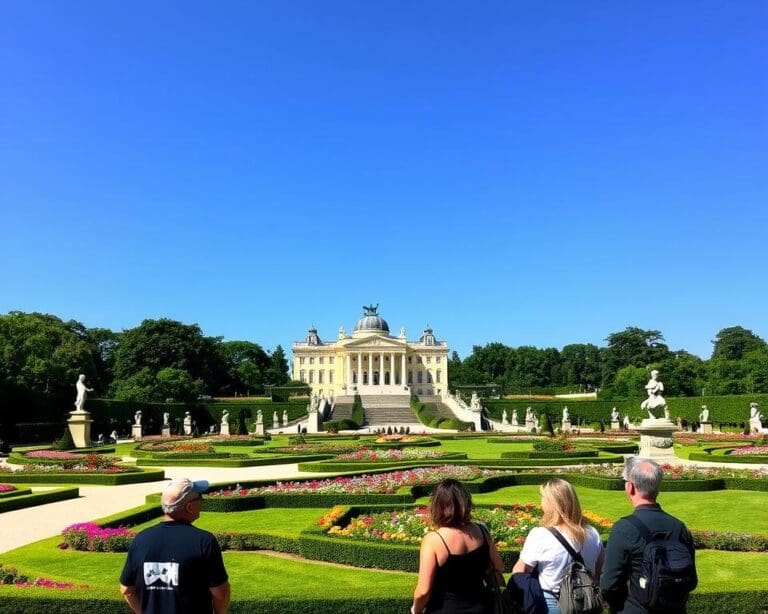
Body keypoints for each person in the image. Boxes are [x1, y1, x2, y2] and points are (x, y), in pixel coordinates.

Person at [600, 457, 697, 613]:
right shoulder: (679, 527)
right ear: (657, 488)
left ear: (630, 488)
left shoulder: (623, 529)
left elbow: (608, 585)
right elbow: (690, 580)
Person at [119, 478, 230, 614]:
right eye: (200, 497)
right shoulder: (204, 541)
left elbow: (126, 590)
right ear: (189, 507)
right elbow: (220, 593)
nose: (202, 501)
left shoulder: (141, 539)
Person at [412, 478, 504, 613]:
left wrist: (416, 609)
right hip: (481, 607)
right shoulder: (481, 531)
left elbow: (424, 590)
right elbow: (498, 567)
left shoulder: (433, 540)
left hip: (446, 608)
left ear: (437, 506)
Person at [513, 478, 604, 613]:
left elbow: (519, 571)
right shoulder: (593, 533)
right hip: (586, 602)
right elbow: (599, 570)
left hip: (553, 602)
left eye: (543, 498)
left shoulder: (541, 535)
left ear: (551, 503)